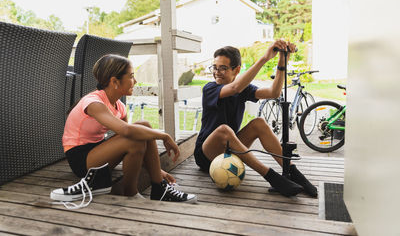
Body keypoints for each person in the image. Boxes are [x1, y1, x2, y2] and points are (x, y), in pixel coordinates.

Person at [52, 54, 197, 204]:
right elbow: (127, 132)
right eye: (132, 76)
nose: (135, 81)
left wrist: (155, 170)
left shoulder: (119, 106)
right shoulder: (94, 103)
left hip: (99, 153)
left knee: (143, 126)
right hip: (81, 159)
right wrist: (165, 136)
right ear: (115, 81)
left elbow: (134, 135)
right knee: (134, 138)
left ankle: (159, 187)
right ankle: (130, 193)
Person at [194, 40, 317, 197]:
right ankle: (272, 177)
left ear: (236, 70)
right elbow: (235, 88)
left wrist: (282, 61)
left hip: (229, 148)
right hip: (207, 154)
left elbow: (274, 93)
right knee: (224, 130)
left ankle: (293, 171)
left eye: (223, 68)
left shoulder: (243, 89)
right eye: (215, 67)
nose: (217, 72)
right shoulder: (210, 88)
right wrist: (264, 58)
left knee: (259, 123)